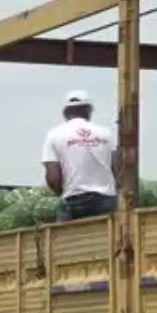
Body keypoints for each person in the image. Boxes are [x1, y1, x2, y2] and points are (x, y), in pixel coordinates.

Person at [41, 90, 119, 221]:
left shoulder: (54, 135)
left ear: (65, 113)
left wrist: (62, 192)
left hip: (73, 202)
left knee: (65, 240)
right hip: (106, 201)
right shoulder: (107, 134)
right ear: (89, 111)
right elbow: (118, 169)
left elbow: (53, 178)